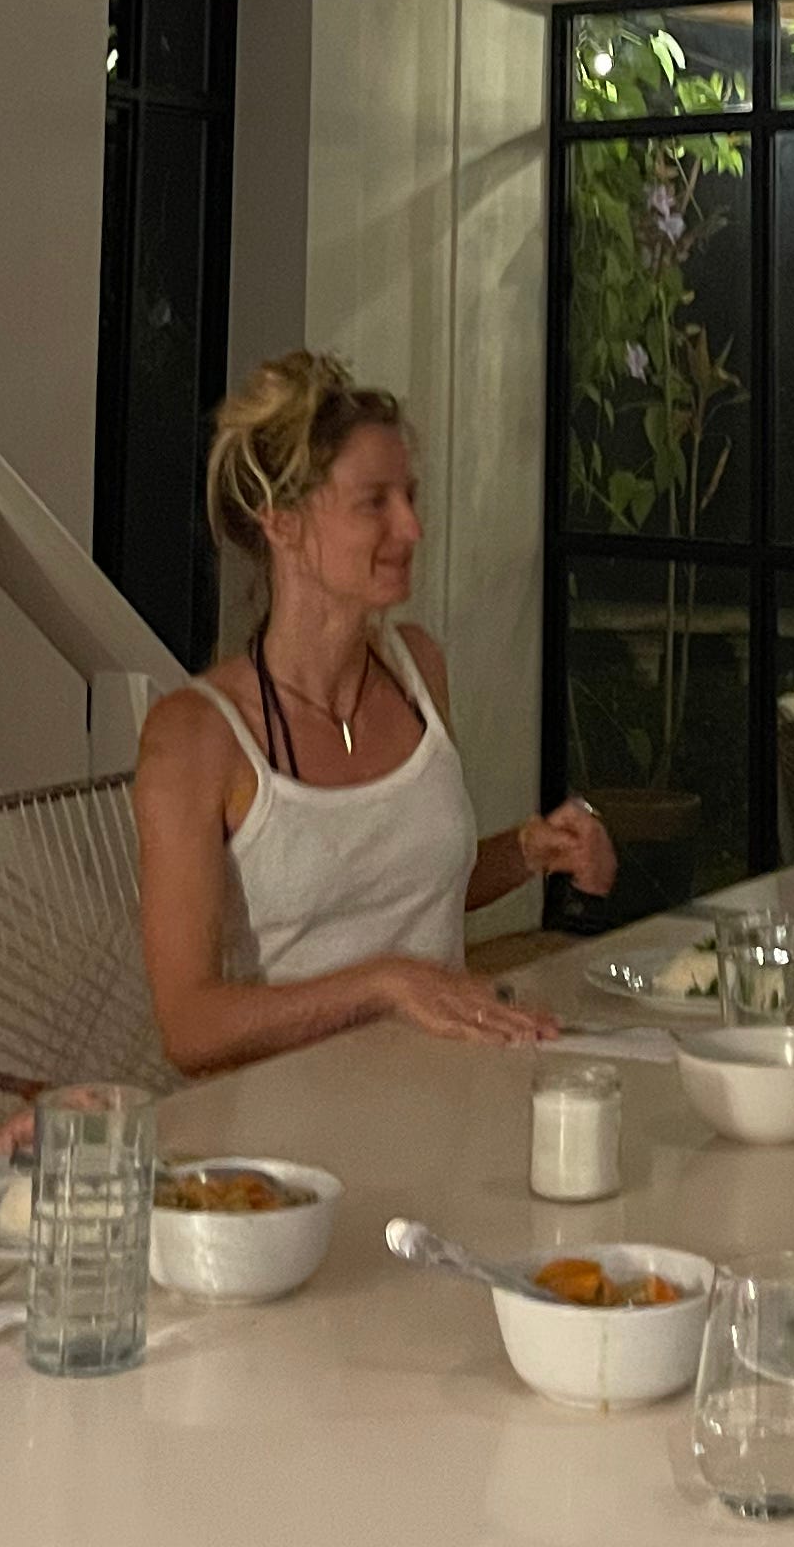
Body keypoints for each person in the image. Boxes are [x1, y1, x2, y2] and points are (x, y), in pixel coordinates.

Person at [136, 351, 615, 1072]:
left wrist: (529, 851)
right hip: (283, 1118)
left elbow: (400, 887)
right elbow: (191, 1029)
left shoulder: (417, 668)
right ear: (282, 523)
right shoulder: (195, 736)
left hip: (444, 1084)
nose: (412, 528)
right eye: (375, 503)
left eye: (410, 498)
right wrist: (385, 984)